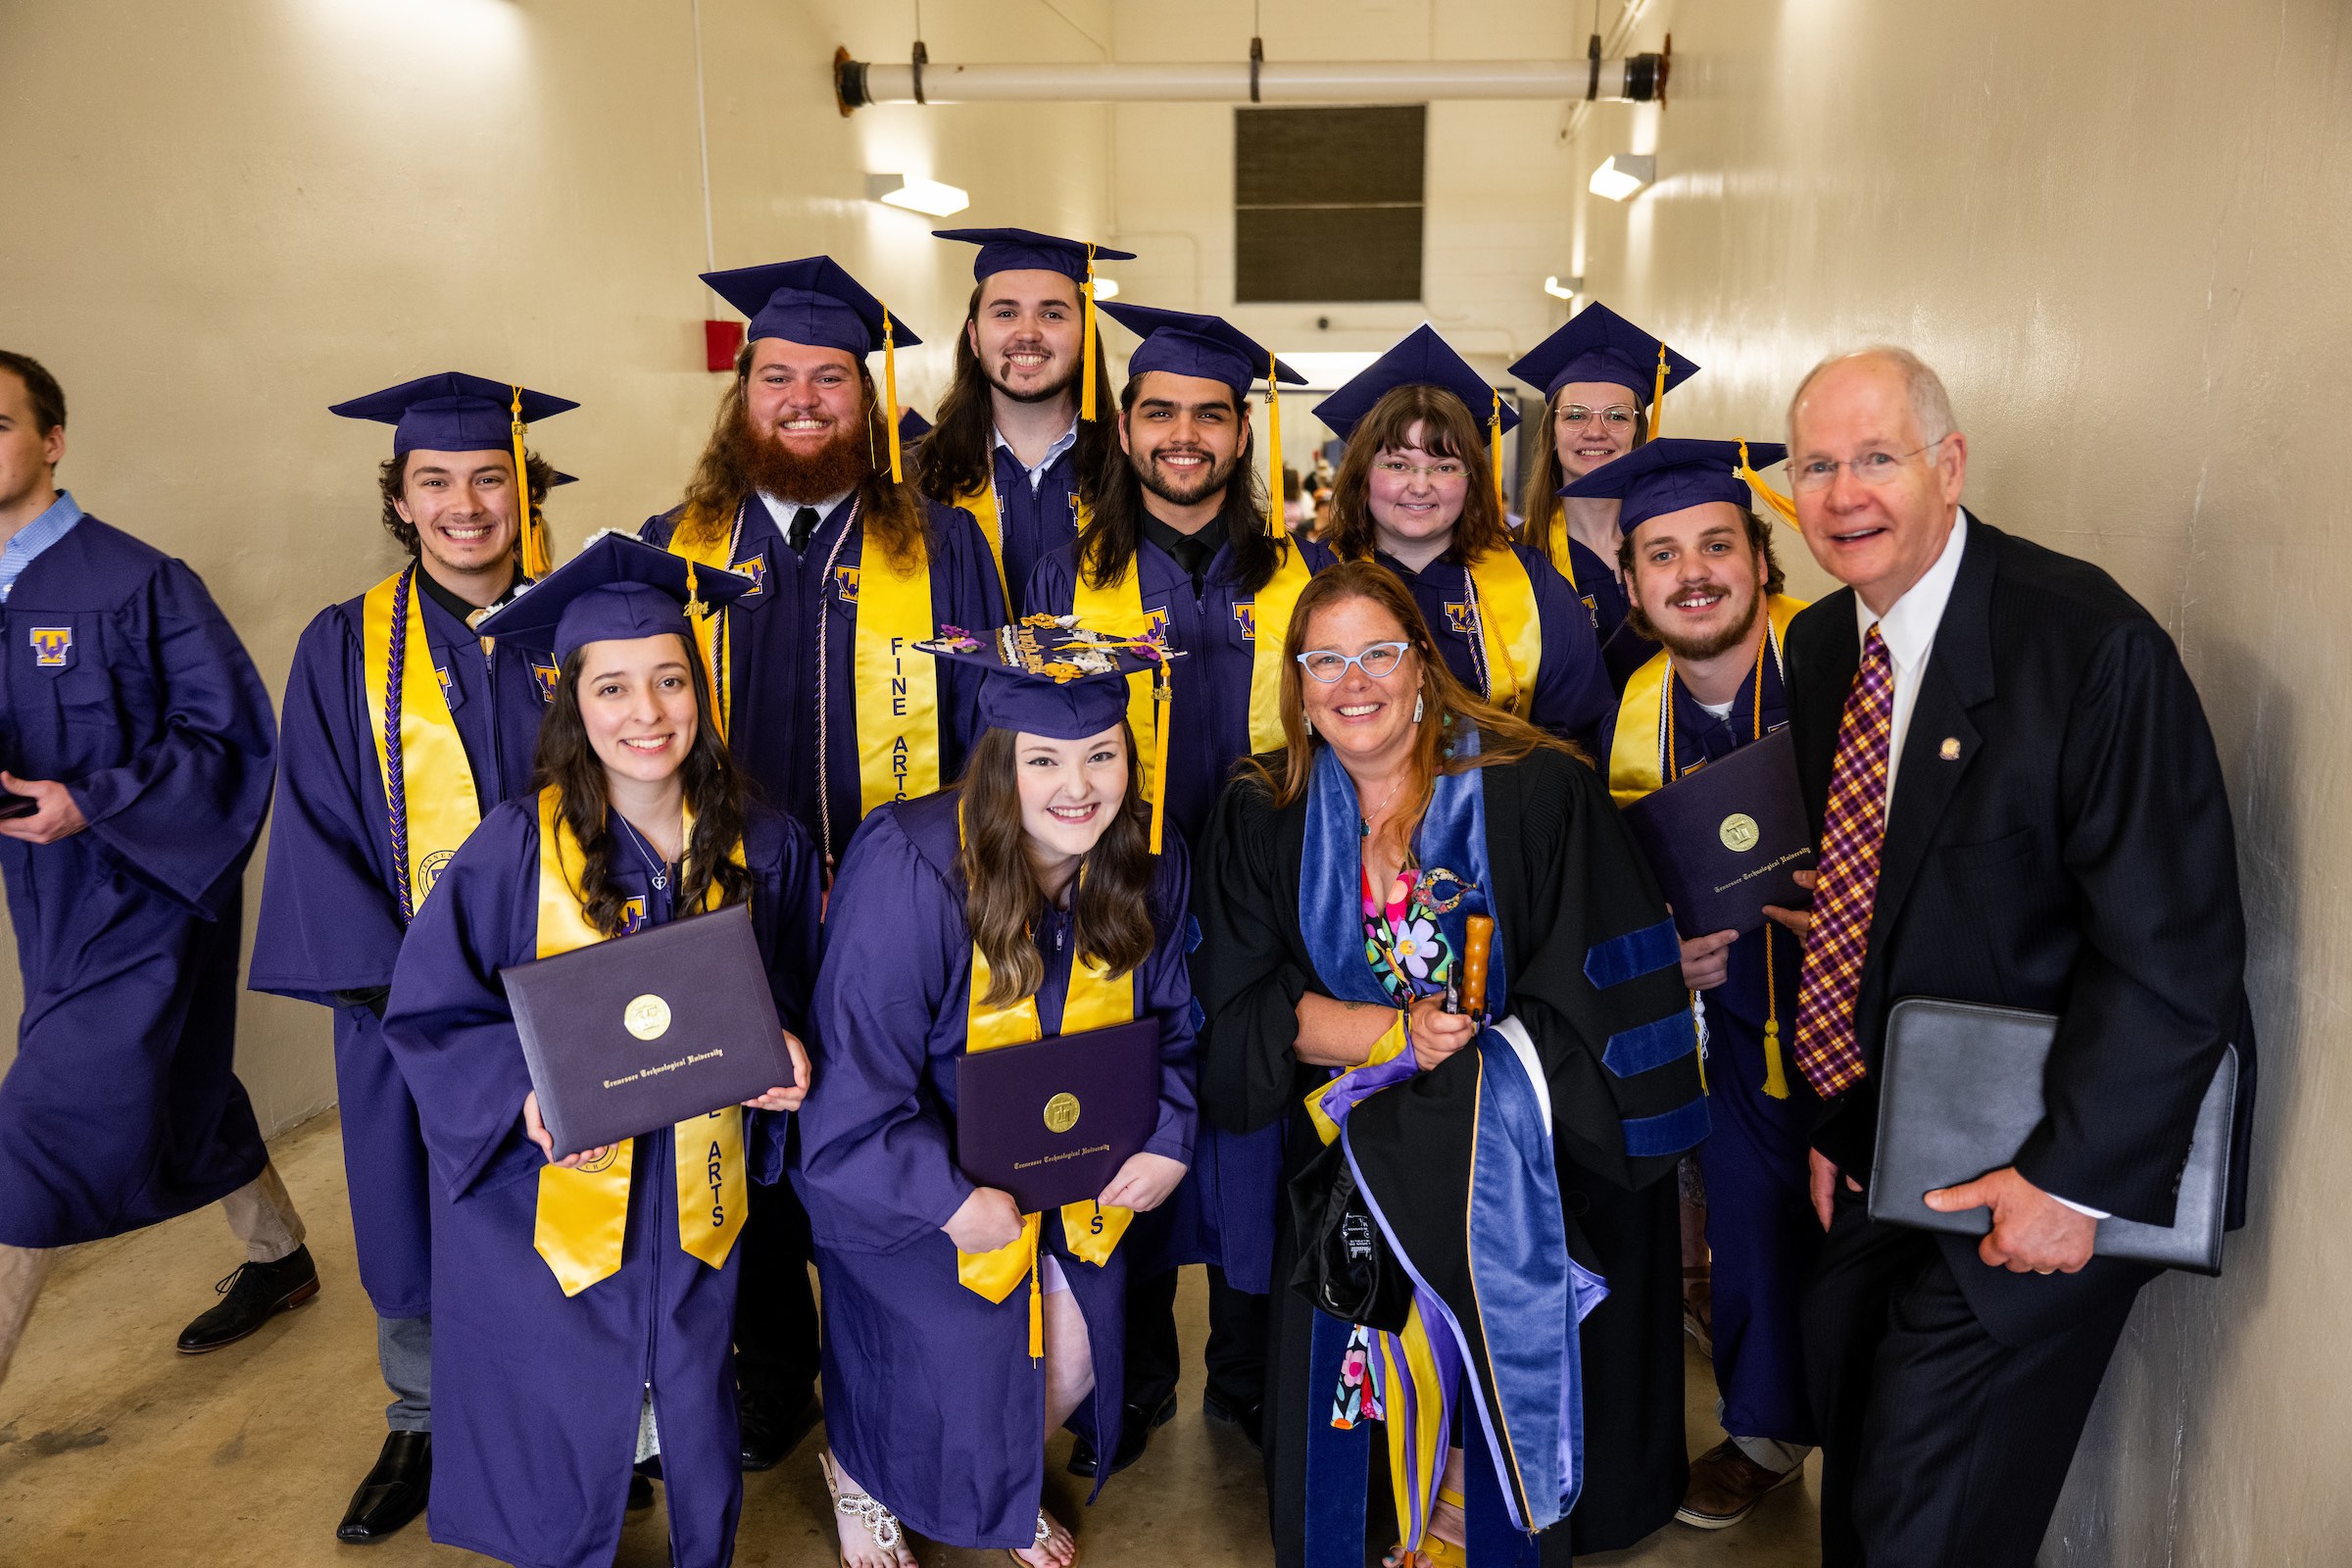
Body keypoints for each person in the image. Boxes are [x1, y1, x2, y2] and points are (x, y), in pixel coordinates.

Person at [1772, 348, 2252, 1567]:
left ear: (1951, 465)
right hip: (1905, 1135)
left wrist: (2072, 1183)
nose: (1843, 494)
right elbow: (1885, 903)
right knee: (1862, 1449)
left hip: (2055, 1158)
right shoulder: (1830, 646)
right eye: (1817, 465)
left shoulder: (2089, 649)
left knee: (1923, 1511)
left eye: (1876, 457)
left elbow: (2174, 949)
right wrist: (1847, 1128)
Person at [1195, 561, 1709, 1568]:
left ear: (1422, 664)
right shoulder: (1265, 809)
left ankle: (1478, 1504)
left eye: (1378, 652)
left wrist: (1466, 1072)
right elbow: (1243, 1008)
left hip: (1522, 1156)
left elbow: (1600, 993)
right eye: (1325, 659)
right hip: (1352, 1153)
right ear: (1298, 684)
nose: (1354, 681)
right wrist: (1394, 1039)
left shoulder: (1537, 789)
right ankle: (1392, 1514)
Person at [380, 533, 820, 1568]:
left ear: (700, 689)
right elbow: (433, 1013)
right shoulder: (515, 847)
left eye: (669, 679)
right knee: (559, 1412)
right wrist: (519, 1094)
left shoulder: (767, 842)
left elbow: (801, 980)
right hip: (550, 1201)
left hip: (698, 1192)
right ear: (570, 701)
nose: (646, 712)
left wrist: (790, 1045)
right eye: (613, 687)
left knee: (694, 1391)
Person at [645, 256, 1004, 1465]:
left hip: (888, 911)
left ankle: (880, 1378)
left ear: (870, 400)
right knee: (727, 1124)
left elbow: (980, 734)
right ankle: (770, 1370)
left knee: (876, 1126)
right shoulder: (672, 546)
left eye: (831, 380)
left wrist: (939, 887)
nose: (804, 400)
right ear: (742, 398)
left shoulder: (942, 545)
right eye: (778, 377)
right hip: (720, 908)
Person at [794, 617, 1198, 1566]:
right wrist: (944, 1199)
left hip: (1068, 1182)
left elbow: (1179, 1023)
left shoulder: (1149, 858)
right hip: (911, 1191)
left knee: (1069, 1359)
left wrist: (1169, 1132)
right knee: (962, 1353)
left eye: (1102, 755)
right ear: (997, 764)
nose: (1079, 786)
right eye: (1045, 759)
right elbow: (855, 1082)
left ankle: (999, 1478)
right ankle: (861, 1466)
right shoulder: (913, 867)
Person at [249, 371, 572, 1543]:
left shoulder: (583, 630)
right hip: (408, 1002)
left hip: (576, 993)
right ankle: (422, 1421)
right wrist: (429, 1008)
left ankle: (590, 1413)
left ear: (524, 492)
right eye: (435, 482)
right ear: (400, 500)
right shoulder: (341, 647)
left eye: (490, 477)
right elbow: (321, 833)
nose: (466, 504)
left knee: (583, 1198)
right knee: (417, 1204)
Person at [1025, 303, 1335, 1476]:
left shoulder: (1307, 579)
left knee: (1259, 1138)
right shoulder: (1069, 571)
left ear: (1243, 434)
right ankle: (1139, 1369)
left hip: (1271, 917)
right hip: (1117, 909)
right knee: (1124, 1130)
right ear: (1126, 424)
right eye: (1162, 412)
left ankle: (1247, 1373)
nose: (1186, 435)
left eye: (1212, 413)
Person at [0, 350, 307, 1393]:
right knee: (177, 1077)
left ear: (52, 440)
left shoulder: (136, 580)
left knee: (41, 1120)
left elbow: (231, 736)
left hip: (149, 883)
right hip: (44, 892)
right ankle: (280, 1251)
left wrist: (92, 798)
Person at [1565, 437, 1823, 1531]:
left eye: (1717, 544)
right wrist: (1664, 947)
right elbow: (1618, 887)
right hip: (1730, 1014)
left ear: (1762, 559)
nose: (1693, 573)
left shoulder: (1842, 662)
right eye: (1661, 555)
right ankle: (1765, 1426)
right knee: (1751, 1209)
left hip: (1863, 1001)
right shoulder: (1629, 708)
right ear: (1631, 584)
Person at [1315, 325, 1614, 756]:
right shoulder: (1316, 575)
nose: (1420, 487)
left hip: (1504, 810)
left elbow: (1578, 733)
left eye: (1444, 466)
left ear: (1472, 480)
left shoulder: (1533, 585)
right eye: (1398, 464)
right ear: (1363, 475)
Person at [919, 227, 1127, 604]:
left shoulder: (1133, 470)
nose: (1028, 332)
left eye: (1052, 313)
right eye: (1006, 313)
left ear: (1085, 336)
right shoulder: (922, 475)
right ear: (975, 336)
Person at [1509, 302, 1699, 689]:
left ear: (1638, 431)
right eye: (1576, 415)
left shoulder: (1679, 546)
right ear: (1553, 432)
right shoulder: (1513, 558)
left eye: (1616, 415)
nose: (1595, 431)